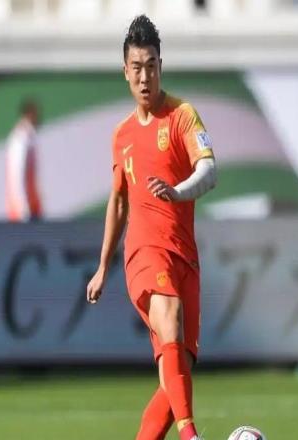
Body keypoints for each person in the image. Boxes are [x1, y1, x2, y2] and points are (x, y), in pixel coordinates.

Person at [86, 15, 217, 440]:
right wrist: (103, 266)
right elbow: (119, 200)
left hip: (185, 257)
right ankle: (190, 436)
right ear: (125, 71)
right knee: (170, 316)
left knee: (177, 371)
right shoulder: (122, 135)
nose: (145, 77)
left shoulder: (182, 116)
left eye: (152, 66)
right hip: (144, 254)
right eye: (137, 68)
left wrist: (179, 192)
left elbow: (209, 172)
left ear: (162, 66)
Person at [5, 100, 43, 222]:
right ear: (29, 115)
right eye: (36, 114)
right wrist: (24, 210)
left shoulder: (29, 137)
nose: (38, 118)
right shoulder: (20, 138)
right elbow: (17, 175)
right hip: (22, 213)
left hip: (31, 208)